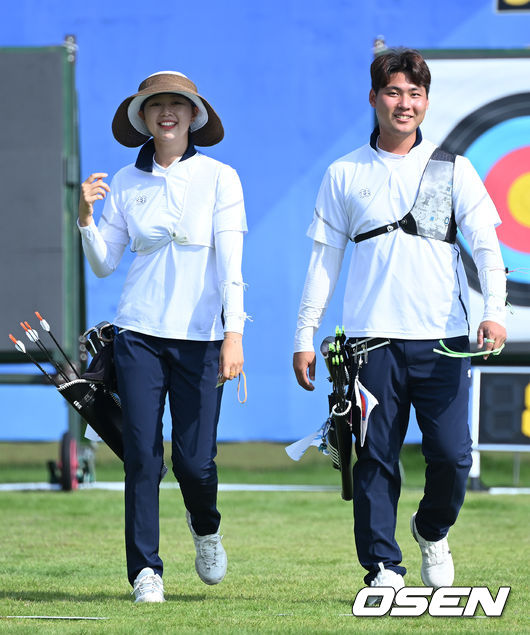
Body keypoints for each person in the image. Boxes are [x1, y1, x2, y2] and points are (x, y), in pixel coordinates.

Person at [293, 49, 507, 597]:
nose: (403, 103)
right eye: (393, 92)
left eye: (414, 94)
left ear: (427, 102)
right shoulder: (344, 172)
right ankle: (383, 568)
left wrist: (494, 314)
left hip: (442, 340)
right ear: (373, 98)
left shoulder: (452, 167)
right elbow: (324, 261)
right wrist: (304, 335)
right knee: (375, 459)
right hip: (371, 342)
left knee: (454, 457)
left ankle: (431, 530)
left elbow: (485, 246)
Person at [78, 71, 248, 603]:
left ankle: (205, 528)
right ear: (144, 117)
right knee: (143, 457)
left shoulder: (222, 177)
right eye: (157, 106)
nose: (167, 113)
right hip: (138, 334)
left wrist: (233, 333)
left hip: (202, 338)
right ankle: (145, 571)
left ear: (195, 115)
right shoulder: (127, 183)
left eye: (179, 104)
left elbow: (232, 266)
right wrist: (84, 214)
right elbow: (105, 263)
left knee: (194, 462)